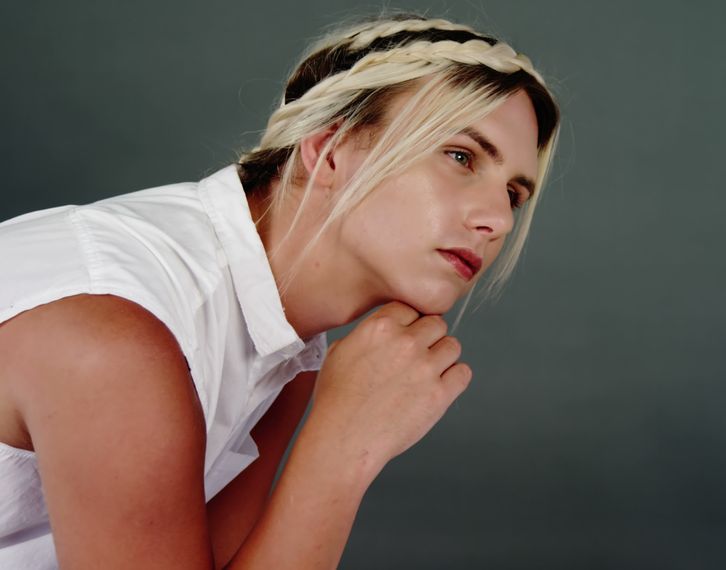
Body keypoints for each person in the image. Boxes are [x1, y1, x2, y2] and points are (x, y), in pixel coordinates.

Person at [0, 13, 559, 569]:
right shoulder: (117, 336)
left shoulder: (286, 347)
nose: (498, 221)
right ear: (331, 148)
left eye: (513, 192)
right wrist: (343, 449)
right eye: (461, 157)